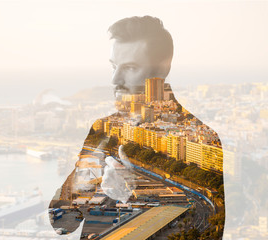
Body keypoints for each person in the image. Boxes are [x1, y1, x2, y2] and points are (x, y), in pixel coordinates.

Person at [49, 15, 224, 238]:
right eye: (113, 66)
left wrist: (134, 196)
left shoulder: (204, 139)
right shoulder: (102, 128)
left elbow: (207, 231)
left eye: (130, 67)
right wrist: (89, 183)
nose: (115, 79)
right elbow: (61, 223)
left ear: (162, 68)